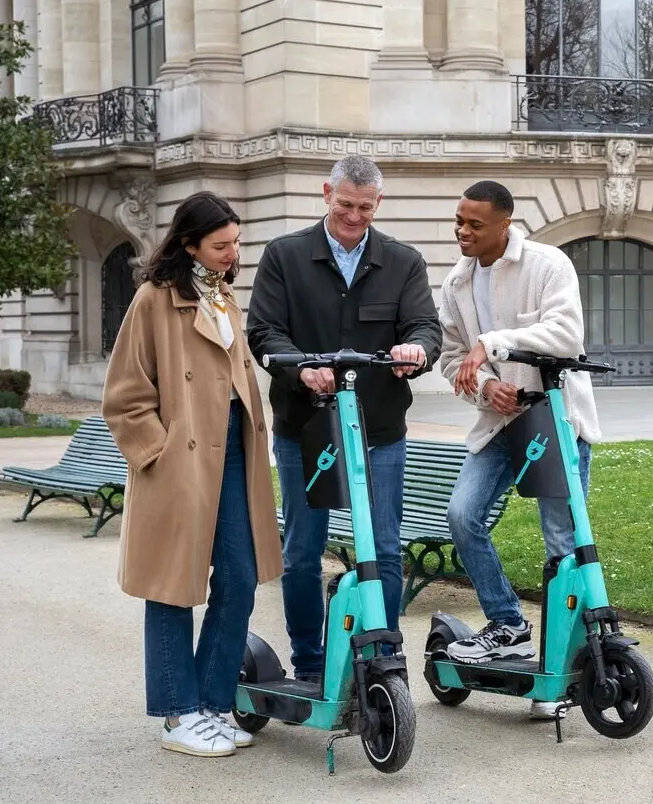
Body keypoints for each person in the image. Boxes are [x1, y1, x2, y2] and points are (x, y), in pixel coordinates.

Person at [246, 154, 442, 681]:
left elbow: (426, 327)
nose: (355, 217)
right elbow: (263, 332)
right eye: (346, 204)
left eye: (365, 207)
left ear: (379, 203)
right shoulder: (284, 255)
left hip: (378, 429)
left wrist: (416, 351)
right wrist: (302, 367)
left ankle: (381, 660)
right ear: (326, 192)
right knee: (303, 552)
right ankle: (310, 664)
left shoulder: (403, 262)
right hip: (304, 429)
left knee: (382, 546)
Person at [102, 192, 284, 757]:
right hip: (181, 460)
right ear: (189, 243)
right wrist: (158, 454)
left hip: (233, 455)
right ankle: (179, 713)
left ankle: (212, 701)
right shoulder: (154, 300)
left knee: (239, 575)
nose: (233, 253)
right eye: (221, 244)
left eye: (235, 243)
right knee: (172, 584)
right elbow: (125, 396)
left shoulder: (224, 296)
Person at [438, 179, 601, 721]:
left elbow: (565, 333)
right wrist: (487, 386)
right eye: (459, 221)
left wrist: (497, 342)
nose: (463, 232)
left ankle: (559, 669)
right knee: (463, 515)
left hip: (555, 419)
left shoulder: (548, 264)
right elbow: (451, 358)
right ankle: (507, 624)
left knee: (562, 541)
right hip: (499, 423)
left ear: (504, 223)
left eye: (474, 224)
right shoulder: (457, 283)